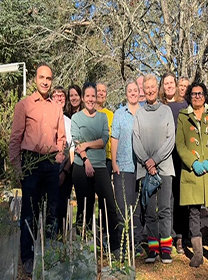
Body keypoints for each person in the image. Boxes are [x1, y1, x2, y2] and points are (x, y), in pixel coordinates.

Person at [9, 63, 66, 276]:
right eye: (41, 77)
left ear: (51, 81)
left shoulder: (56, 108)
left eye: (48, 78)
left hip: (50, 164)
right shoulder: (24, 105)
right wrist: (17, 169)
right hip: (30, 163)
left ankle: (48, 254)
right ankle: (27, 257)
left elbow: (61, 138)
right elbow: (15, 139)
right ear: (35, 79)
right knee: (29, 212)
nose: (45, 81)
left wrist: (58, 158)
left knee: (52, 211)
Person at [176, 81, 208, 268]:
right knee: (194, 213)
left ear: (205, 96)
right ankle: (197, 253)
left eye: (200, 93)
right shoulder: (183, 116)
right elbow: (180, 143)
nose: (197, 96)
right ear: (189, 96)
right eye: (194, 94)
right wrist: (193, 163)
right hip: (193, 173)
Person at [71, 82, 119, 257]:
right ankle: (84, 246)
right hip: (80, 166)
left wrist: (87, 145)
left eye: (93, 96)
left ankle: (115, 246)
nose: (91, 99)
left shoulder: (102, 117)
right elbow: (76, 142)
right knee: (85, 206)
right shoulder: (76, 118)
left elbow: (103, 139)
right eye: (88, 96)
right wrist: (86, 159)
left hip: (100, 166)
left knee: (109, 205)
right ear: (83, 98)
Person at [133, 74, 175, 264]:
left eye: (152, 87)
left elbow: (170, 140)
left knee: (165, 209)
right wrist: (147, 162)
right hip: (145, 170)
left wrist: (155, 160)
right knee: (149, 210)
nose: (149, 90)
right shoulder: (139, 114)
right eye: (146, 88)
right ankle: (153, 248)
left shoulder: (166, 111)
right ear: (144, 90)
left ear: (157, 88)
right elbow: (136, 140)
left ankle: (166, 248)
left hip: (164, 168)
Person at [111, 79, 144, 256]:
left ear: (139, 93)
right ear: (126, 94)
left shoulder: (144, 112)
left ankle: (137, 243)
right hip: (122, 166)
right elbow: (114, 138)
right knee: (123, 207)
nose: (132, 93)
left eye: (135, 90)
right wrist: (114, 162)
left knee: (137, 207)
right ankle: (123, 242)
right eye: (129, 91)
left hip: (141, 167)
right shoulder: (119, 114)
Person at [159, 72, 188, 254]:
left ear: (176, 85)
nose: (169, 86)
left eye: (171, 82)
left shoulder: (183, 104)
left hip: (180, 155)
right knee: (166, 197)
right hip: (164, 156)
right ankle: (167, 235)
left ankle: (180, 237)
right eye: (166, 83)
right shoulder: (160, 106)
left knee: (180, 196)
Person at [51, 86, 74, 234]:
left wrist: (64, 172)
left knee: (61, 209)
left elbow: (72, 149)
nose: (59, 98)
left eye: (62, 96)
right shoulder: (45, 118)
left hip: (64, 171)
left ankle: (60, 238)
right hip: (47, 171)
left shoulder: (69, 122)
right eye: (56, 95)